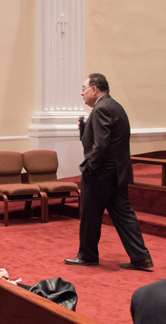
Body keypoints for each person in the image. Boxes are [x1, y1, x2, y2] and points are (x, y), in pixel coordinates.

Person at [64, 73, 153, 270]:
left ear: (94, 89)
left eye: (83, 88)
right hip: (116, 172)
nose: (81, 93)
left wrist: (90, 168)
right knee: (123, 214)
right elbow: (105, 140)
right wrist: (85, 130)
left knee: (90, 214)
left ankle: (87, 256)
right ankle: (140, 256)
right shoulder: (114, 106)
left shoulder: (101, 109)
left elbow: (101, 145)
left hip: (101, 173)